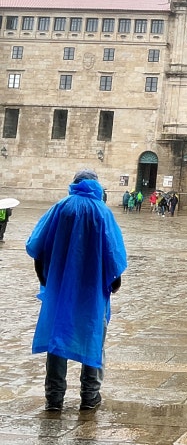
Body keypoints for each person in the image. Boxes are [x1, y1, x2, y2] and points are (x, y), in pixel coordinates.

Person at [26, 170, 127, 412]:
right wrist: (115, 281)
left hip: (60, 286)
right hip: (92, 289)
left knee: (57, 337)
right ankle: (89, 396)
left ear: (74, 183)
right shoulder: (103, 212)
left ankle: (54, 398)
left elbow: (37, 245)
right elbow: (113, 252)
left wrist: (44, 278)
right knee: (93, 336)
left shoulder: (61, 208)